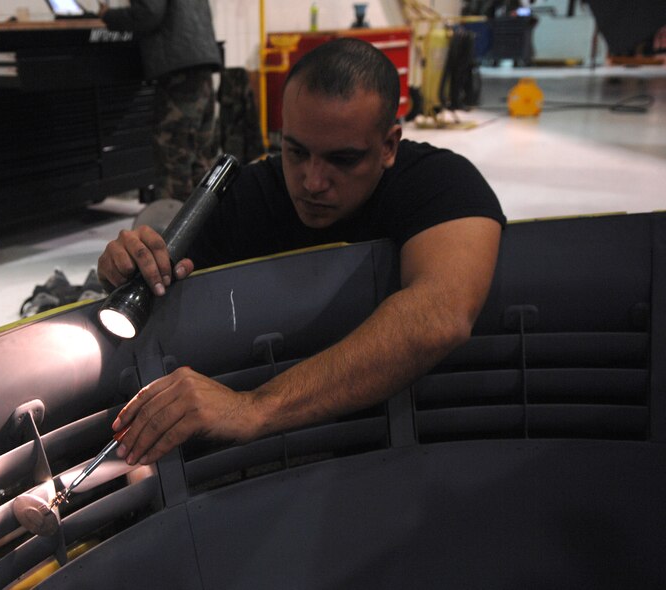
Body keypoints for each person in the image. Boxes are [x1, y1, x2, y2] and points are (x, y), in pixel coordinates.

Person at [97, 38, 506, 467]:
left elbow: (439, 316)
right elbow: (158, 295)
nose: (312, 181)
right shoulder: (245, 198)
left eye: (342, 159)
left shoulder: (441, 184)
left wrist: (254, 408)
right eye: (295, 151)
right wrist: (126, 270)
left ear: (388, 146)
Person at [98, 1, 222, 201]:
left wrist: (108, 15)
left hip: (179, 68)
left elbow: (149, 13)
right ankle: (205, 221)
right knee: (201, 156)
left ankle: (176, 226)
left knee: (174, 155)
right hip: (201, 59)